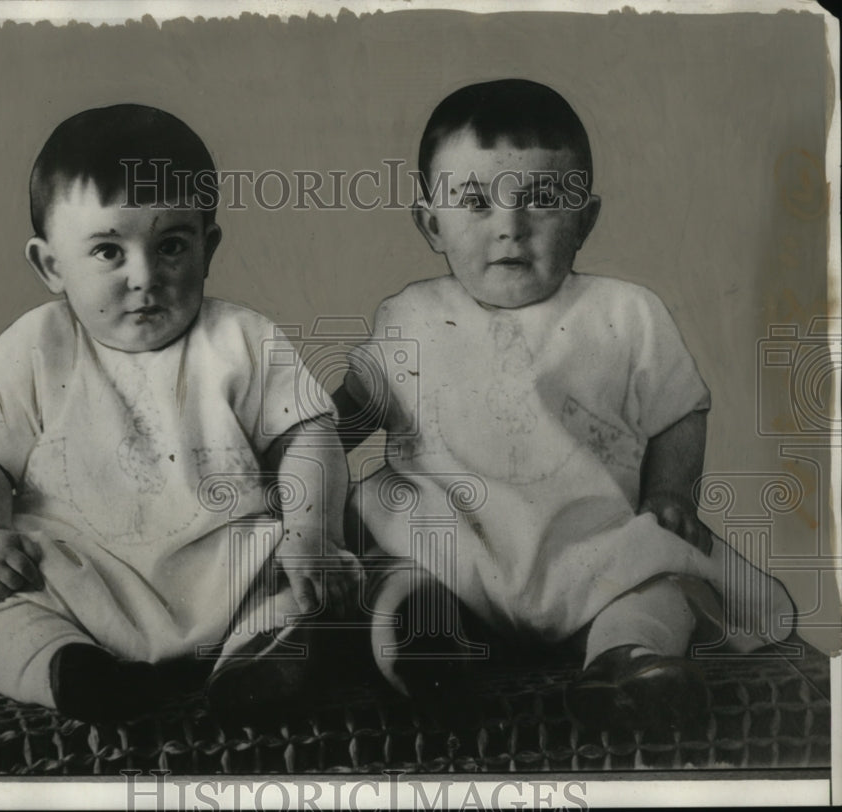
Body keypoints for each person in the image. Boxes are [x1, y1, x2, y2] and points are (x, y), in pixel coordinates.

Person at [334, 79, 795, 730]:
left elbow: (679, 411)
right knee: (393, 556)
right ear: (430, 224)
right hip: (456, 544)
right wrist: (293, 462)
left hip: (592, 544)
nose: (510, 228)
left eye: (542, 200)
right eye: (475, 202)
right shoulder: (410, 318)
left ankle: (626, 659)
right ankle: (427, 646)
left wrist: (670, 493)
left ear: (586, 218)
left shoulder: (624, 312)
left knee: (662, 581)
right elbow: (348, 413)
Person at [0, 104, 358, 724]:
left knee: (305, 577)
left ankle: (256, 659)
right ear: (50, 266)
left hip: (222, 565)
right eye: (108, 251)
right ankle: (66, 668)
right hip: (82, 572)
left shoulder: (241, 340)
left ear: (208, 246)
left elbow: (309, 438)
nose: (145, 276)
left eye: (171, 244)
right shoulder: (35, 347)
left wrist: (312, 537)